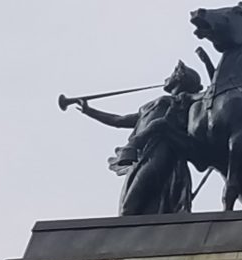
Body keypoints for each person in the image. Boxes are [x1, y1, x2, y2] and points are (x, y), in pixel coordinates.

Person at [76, 61, 204, 216]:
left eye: (172, 74)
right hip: (140, 157)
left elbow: (169, 123)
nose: (166, 78)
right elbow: (119, 120)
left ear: (180, 78)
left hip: (160, 156)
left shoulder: (182, 101)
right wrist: (89, 111)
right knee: (130, 208)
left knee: (129, 208)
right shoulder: (149, 107)